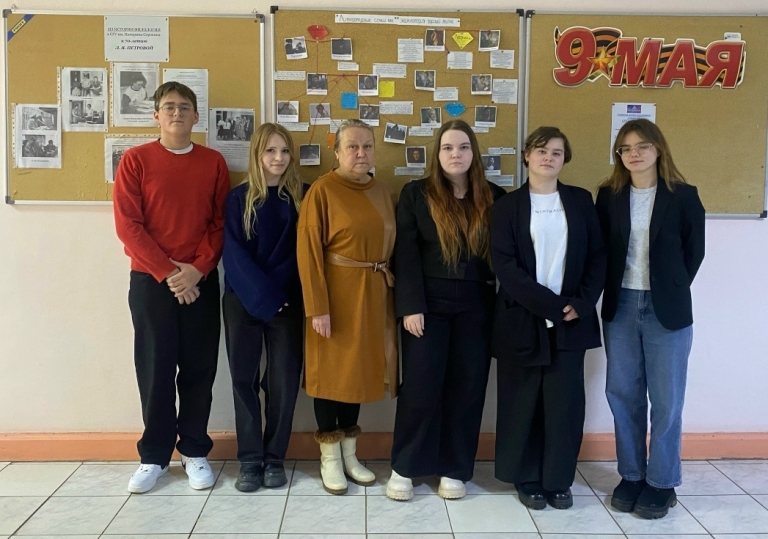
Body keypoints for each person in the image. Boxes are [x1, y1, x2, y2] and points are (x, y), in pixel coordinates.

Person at [113, 81, 230, 494]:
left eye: (184, 107)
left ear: (196, 116)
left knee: (199, 369)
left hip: (200, 281)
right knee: (155, 370)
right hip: (151, 282)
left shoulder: (213, 162)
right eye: (168, 107)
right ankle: (154, 456)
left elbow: (219, 223)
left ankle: (194, 450)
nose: (176, 113)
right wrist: (169, 274)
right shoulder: (135, 160)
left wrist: (196, 270)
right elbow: (128, 226)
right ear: (156, 116)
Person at [387, 119, 505, 501]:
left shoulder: (495, 197)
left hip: (477, 305)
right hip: (426, 306)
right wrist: (410, 306)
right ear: (437, 154)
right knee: (420, 387)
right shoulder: (415, 194)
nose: (456, 154)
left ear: (474, 153)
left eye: (464, 147)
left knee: (467, 388)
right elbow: (405, 254)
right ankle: (405, 467)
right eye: (448, 148)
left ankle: (455, 469)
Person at [491, 126, 606, 510]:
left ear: (564, 159)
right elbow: (506, 267)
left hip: (572, 319)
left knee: (564, 405)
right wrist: (553, 307)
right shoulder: (506, 206)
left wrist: (581, 303)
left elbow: (597, 257)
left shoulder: (580, 200)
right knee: (522, 401)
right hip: (522, 318)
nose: (548, 158)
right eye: (541, 151)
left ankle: (558, 480)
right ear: (527, 155)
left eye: (556, 152)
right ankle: (526, 477)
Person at [596, 119, 705, 519]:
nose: (634, 154)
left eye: (642, 146)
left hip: (667, 312)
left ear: (659, 149)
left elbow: (694, 252)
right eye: (625, 148)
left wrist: (667, 288)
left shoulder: (683, 196)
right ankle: (632, 475)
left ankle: (662, 482)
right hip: (621, 306)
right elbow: (601, 250)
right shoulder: (608, 195)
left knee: (666, 400)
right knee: (622, 394)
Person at [297, 119, 397, 495]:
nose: (360, 153)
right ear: (336, 152)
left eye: (367, 146)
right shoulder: (322, 191)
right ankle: (330, 458)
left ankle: (350, 455)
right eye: (352, 146)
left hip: (372, 296)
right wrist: (317, 307)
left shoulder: (383, 191)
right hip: (334, 298)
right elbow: (308, 252)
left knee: (356, 375)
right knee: (331, 375)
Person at [222, 123, 306, 492]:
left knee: (283, 382)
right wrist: (263, 295)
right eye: (270, 150)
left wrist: (276, 295)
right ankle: (250, 459)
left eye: (284, 151)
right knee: (243, 380)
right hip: (243, 300)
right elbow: (233, 254)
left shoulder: (302, 198)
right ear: (257, 154)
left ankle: (274, 458)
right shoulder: (238, 199)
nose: (278, 158)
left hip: (287, 301)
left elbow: (302, 252)